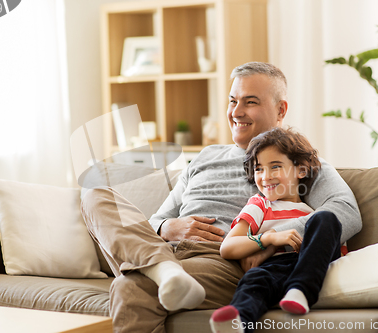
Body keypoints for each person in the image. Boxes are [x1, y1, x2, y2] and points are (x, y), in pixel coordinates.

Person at [81, 62, 362, 333]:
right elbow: (157, 218)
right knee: (95, 194)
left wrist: (267, 243)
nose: (236, 112)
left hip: (219, 261)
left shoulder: (294, 163)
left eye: (250, 102)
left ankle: (160, 272)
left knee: (130, 286)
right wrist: (166, 227)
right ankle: (163, 270)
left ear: (280, 110)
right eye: (232, 101)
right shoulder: (206, 156)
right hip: (163, 250)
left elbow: (344, 211)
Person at [209, 127, 343, 333]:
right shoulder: (260, 204)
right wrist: (269, 239)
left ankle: (300, 291)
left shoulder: (312, 212)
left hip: (309, 263)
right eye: (259, 168)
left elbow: (332, 246)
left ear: (301, 170)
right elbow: (228, 247)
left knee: (326, 218)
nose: (266, 176)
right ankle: (238, 323)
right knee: (254, 281)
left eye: (275, 166)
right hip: (273, 267)